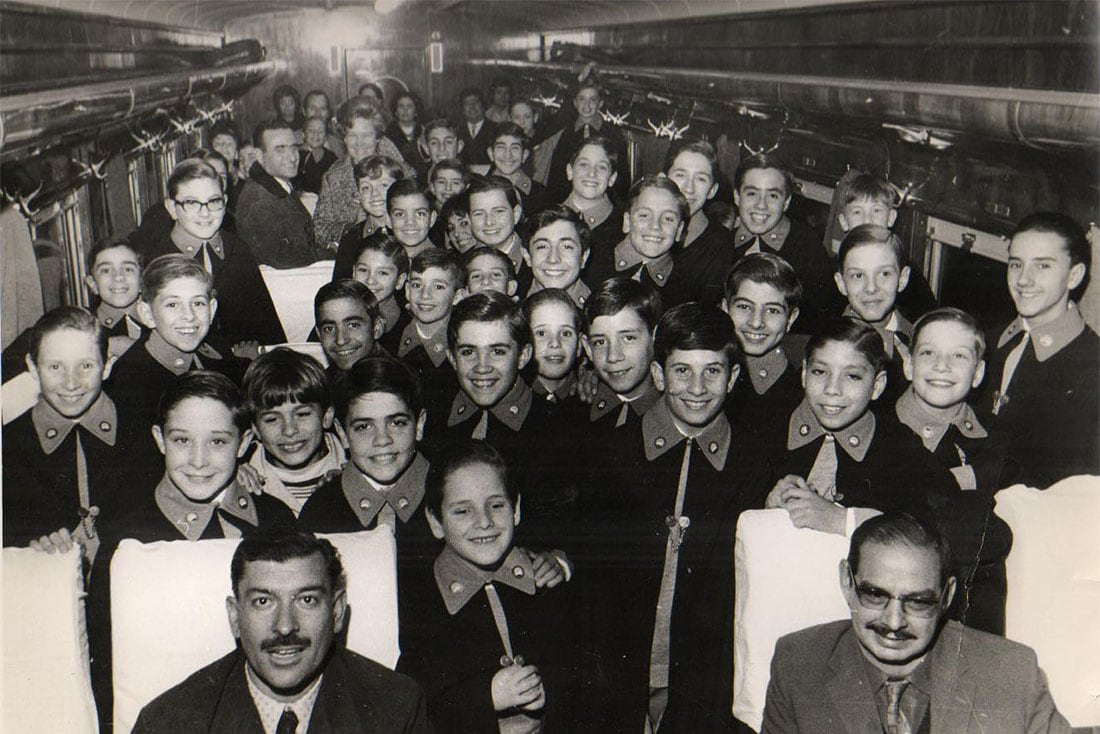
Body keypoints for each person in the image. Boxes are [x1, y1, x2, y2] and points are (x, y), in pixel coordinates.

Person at [584, 303, 760, 732]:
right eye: (682, 371)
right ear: (660, 375)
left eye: (713, 372)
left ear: (733, 378)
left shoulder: (756, 466)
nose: (697, 388)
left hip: (707, 677)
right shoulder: (608, 454)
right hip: (619, 671)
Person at [761, 513, 1071, 734]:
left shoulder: (1012, 671)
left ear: (947, 595)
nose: (894, 622)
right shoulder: (798, 662)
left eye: (918, 602)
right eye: (875, 595)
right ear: (846, 581)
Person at [132, 531, 430, 733]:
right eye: (263, 601)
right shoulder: (169, 723)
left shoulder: (396, 710)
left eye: (307, 600)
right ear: (235, 616)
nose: (285, 625)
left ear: (337, 611)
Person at [397, 440, 595, 731]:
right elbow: (416, 704)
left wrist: (547, 695)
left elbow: (584, 679)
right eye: (463, 511)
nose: (485, 522)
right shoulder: (419, 602)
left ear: (515, 509)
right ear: (436, 521)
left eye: (496, 505)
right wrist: (486, 698)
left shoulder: (544, 583)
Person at [762, 318, 954, 535]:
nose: (832, 389)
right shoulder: (767, 430)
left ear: (877, 386)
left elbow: (946, 518)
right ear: (805, 374)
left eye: (852, 376)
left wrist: (843, 520)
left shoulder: (900, 446)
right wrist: (767, 503)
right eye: (820, 372)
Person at [895, 308, 1014, 635]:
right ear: (908, 363)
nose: (941, 366)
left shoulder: (993, 441)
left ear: (978, 374)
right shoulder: (876, 427)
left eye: (958, 356)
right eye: (928, 353)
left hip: (959, 619)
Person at [2, 307, 153, 552]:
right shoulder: (10, 447)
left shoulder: (144, 434)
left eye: (85, 366)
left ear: (106, 367)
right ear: (32, 366)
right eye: (55, 367)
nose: (71, 383)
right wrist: (28, 552)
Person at [440, 291, 582, 551]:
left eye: (497, 351)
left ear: (523, 356)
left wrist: (560, 558)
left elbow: (568, 529)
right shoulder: (436, 422)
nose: (482, 367)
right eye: (469, 352)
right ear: (451, 358)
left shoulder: (559, 430)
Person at [978, 211, 1099, 488]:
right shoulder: (989, 341)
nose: (1023, 280)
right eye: (1016, 265)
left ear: (1074, 276)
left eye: (1042, 266)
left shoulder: (1092, 369)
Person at [135, 157, 287, 351]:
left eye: (213, 201)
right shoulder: (155, 259)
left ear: (224, 203)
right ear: (172, 208)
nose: (205, 213)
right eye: (191, 203)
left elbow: (266, 325)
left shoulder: (238, 249)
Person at [108, 255, 245, 458]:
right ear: (147, 314)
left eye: (198, 303)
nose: (189, 316)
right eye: (173, 305)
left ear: (212, 309)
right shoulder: (129, 379)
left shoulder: (222, 360)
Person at [729, 153, 833, 333]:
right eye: (752, 193)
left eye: (773, 196)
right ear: (737, 197)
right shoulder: (723, 242)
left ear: (786, 203)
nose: (761, 205)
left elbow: (818, 320)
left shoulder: (807, 247)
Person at [243, 348, 345, 516]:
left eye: (302, 414)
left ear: (326, 416)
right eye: (272, 419)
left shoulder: (355, 465)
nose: (289, 430)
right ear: (255, 428)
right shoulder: (239, 476)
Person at [721, 253, 807, 431]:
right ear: (725, 309)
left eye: (772, 311)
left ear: (790, 319)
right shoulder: (708, 379)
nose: (756, 322)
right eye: (744, 307)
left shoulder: (799, 393)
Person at [313, 97, 413, 251]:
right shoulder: (333, 177)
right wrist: (353, 228)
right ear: (344, 138)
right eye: (352, 135)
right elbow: (319, 229)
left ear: (378, 137)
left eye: (366, 135)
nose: (359, 143)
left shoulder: (401, 171)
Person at [834, 223, 915, 406]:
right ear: (842, 283)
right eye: (858, 276)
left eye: (884, 274)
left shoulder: (916, 339)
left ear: (902, 279)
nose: (871, 288)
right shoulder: (829, 345)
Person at [583, 175, 693, 309]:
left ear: (679, 230)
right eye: (644, 215)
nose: (655, 226)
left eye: (668, 219)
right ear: (627, 222)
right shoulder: (590, 265)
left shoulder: (686, 289)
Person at [236, 120, 329, 269]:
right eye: (280, 150)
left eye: (293, 148)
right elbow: (287, 264)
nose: (292, 158)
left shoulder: (277, 184)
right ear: (259, 155)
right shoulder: (259, 204)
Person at [581, 277, 663, 435]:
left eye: (628, 338)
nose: (613, 356)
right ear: (588, 348)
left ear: (655, 338)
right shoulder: (574, 411)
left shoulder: (674, 414)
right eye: (600, 342)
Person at [396, 248, 467, 430]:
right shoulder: (390, 342)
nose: (425, 295)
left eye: (438, 287)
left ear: (458, 296)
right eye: (417, 285)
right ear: (406, 290)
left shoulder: (463, 349)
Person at [664, 139, 735, 306]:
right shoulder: (642, 226)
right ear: (663, 180)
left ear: (712, 190)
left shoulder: (720, 243)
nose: (689, 188)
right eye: (680, 175)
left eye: (701, 179)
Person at [546, 76, 629, 203]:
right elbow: (557, 175)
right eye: (582, 99)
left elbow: (621, 177)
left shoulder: (613, 134)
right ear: (575, 103)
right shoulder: (566, 133)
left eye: (593, 100)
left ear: (600, 103)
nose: (587, 105)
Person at [331, 155, 406, 280]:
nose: (374, 193)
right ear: (359, 196)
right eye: (366, 188)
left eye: (383, 185)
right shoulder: (351, 239)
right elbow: (341, 289)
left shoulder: (411, 231)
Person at [467, 174, 534, 294]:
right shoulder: (460, 266)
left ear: (516, 214)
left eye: (498, 211)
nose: (489, 222)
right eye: (479, 214)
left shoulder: (535, 265)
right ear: (469, 219)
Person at [349, 231, 411, 354]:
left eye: (382, 273)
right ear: (353, 273)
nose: (370, 281)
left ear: (400, 280)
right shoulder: (339, 316)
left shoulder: (409, 328)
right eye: (363, 270)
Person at [84, 236, 145, 360]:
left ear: (142, 280)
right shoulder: (83, 328)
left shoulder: (161, 322)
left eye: (128, 269)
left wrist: (134, 351)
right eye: (106, 270)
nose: (118, 277)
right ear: (93, 284)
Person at [523, 288, 585, 410]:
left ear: (579, 346)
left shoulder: (590, 397)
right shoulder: (513, 397)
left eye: (566, 333)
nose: (555, 343)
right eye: (541, 333)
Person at [561, 136, 625, 254]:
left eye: (601, 167)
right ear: (570, 171)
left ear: (612, 178)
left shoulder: (624, 226)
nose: (591, 173)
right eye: (584, 164)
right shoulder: (548, 217)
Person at [313, 279, 385, 379]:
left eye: (353, 325)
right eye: (329, 328)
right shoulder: (321, 386)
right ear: (319, 334)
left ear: (377, 328)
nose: (341, 340)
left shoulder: (405, 383)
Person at [523, 205, 592, 306]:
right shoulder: (511, 313)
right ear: (527, 256)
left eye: (567, 247)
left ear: (584, 257)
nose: (553, 259)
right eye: (542, 246)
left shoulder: (601, 317)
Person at [487, 122, 551, 217]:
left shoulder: (539, 193)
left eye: (515, 148)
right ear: (491, 154)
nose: (508, 155)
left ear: (524, 155)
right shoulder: (479, 190)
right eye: (501, 147)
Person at [510, 97, 559, 186]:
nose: (522, 122)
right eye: (517, 117)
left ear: (535, 118)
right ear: (510, 119)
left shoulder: (545, 142)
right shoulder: (508, 142)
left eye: (527, 117)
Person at [386, 179, 438, 261]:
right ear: (388, 220)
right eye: (399, 214)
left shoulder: (443, 267)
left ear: (432, 219)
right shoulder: (383, 259)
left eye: (420, 214)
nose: (410, 222)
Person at [426, 159, 468, 247]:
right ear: (432, 187)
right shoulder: (428, 219)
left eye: (455, 183)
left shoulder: (468, 216)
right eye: (441, 182)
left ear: (466, 188)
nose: (448, 188)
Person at [294, 116, 338, 195]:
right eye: (311, 130)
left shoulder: (331, 158)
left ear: (325, 138)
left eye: (320, 131)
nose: (315, 134)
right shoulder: (296, 155)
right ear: (303, 135)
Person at [456, 87, 495, 169]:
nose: (472, 107)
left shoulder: (495, 129)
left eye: (476, 102)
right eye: (467, 104)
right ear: (462, 109)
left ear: (483, 105)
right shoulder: (456, 131)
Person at [386, 90, 424, 175]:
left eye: (409, 106)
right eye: (401, 106)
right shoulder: (388, 134)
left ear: (416, 110)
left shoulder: (423, 131)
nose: (405, 110)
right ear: (396, 111)